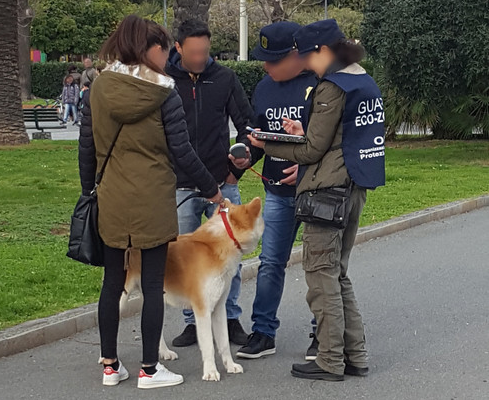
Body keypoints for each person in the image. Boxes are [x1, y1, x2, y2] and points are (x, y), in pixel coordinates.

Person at [78, 14, 223, 389]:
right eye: (162, 48)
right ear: (149, 49)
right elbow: (183, 152)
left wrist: (88, 192)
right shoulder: (164, 93)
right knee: (154, 282)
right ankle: (149, 368)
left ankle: (110, 365)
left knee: (114, 281)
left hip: (111, 196)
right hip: (154, 197)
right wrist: (212, 189)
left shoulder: (98, 88)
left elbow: (87, 149)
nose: (165, 57)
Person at [248, 19, 385, 381]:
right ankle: (355, 355)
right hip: (354, 187)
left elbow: (312, 149)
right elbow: (339, 135)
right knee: (338, 274)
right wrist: (304, 129)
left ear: (324, 51)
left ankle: (329, 359)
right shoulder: (362, 79)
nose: (306, 63)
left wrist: (268, 143)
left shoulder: (332, 86)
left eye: (309, 56)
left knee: (321, 276)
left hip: (328, 191)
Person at [231, 22, 319, 360]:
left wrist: (308, 165)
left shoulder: (319, 84)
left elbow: (331, 140)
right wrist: (244, 155)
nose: (266, 67)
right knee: (270, 263)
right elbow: (258, 134)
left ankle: (321, 332)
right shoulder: (265, 88)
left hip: (314, 191)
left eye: (272, 60)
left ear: (295, 55)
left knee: (317, 265)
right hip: (277, 194)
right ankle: (263, 332)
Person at [165, 19, 253, 348]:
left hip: (222, 183)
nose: (200, 58)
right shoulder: (165, 81)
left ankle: (229, 319)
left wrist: (238, 169)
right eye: (193, 52)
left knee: (230, 257)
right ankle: (192, 320)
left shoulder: (225, 78)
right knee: (184, 255)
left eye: (205, 51)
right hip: (181, 186)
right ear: (178, 48)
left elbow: (247, 125)